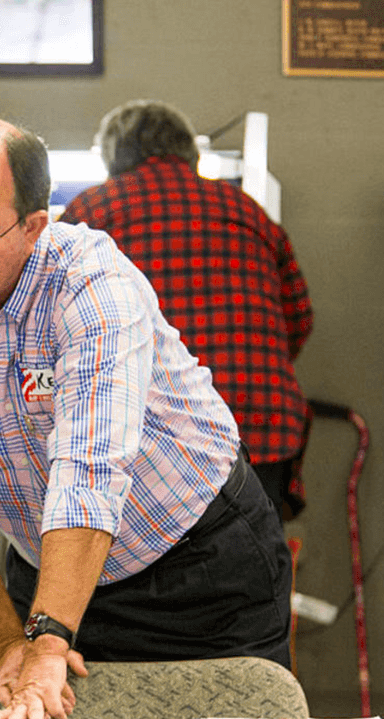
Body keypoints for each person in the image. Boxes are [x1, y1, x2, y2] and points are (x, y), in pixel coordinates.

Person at [0, 115, 291, 719]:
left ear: (34, 227)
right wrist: (10, 643)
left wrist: (46, 638)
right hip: (51, 570)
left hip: (199, 567)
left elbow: (87, 469)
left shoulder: (92, 282)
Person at [59, 99, 314, 518]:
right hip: (261, 421)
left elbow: (54, 325)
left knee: (150, 575)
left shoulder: (91, 212)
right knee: (252, 570)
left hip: (151, 433)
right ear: (191, 154)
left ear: (111, 159)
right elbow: (298, 320)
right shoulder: (247, 211)